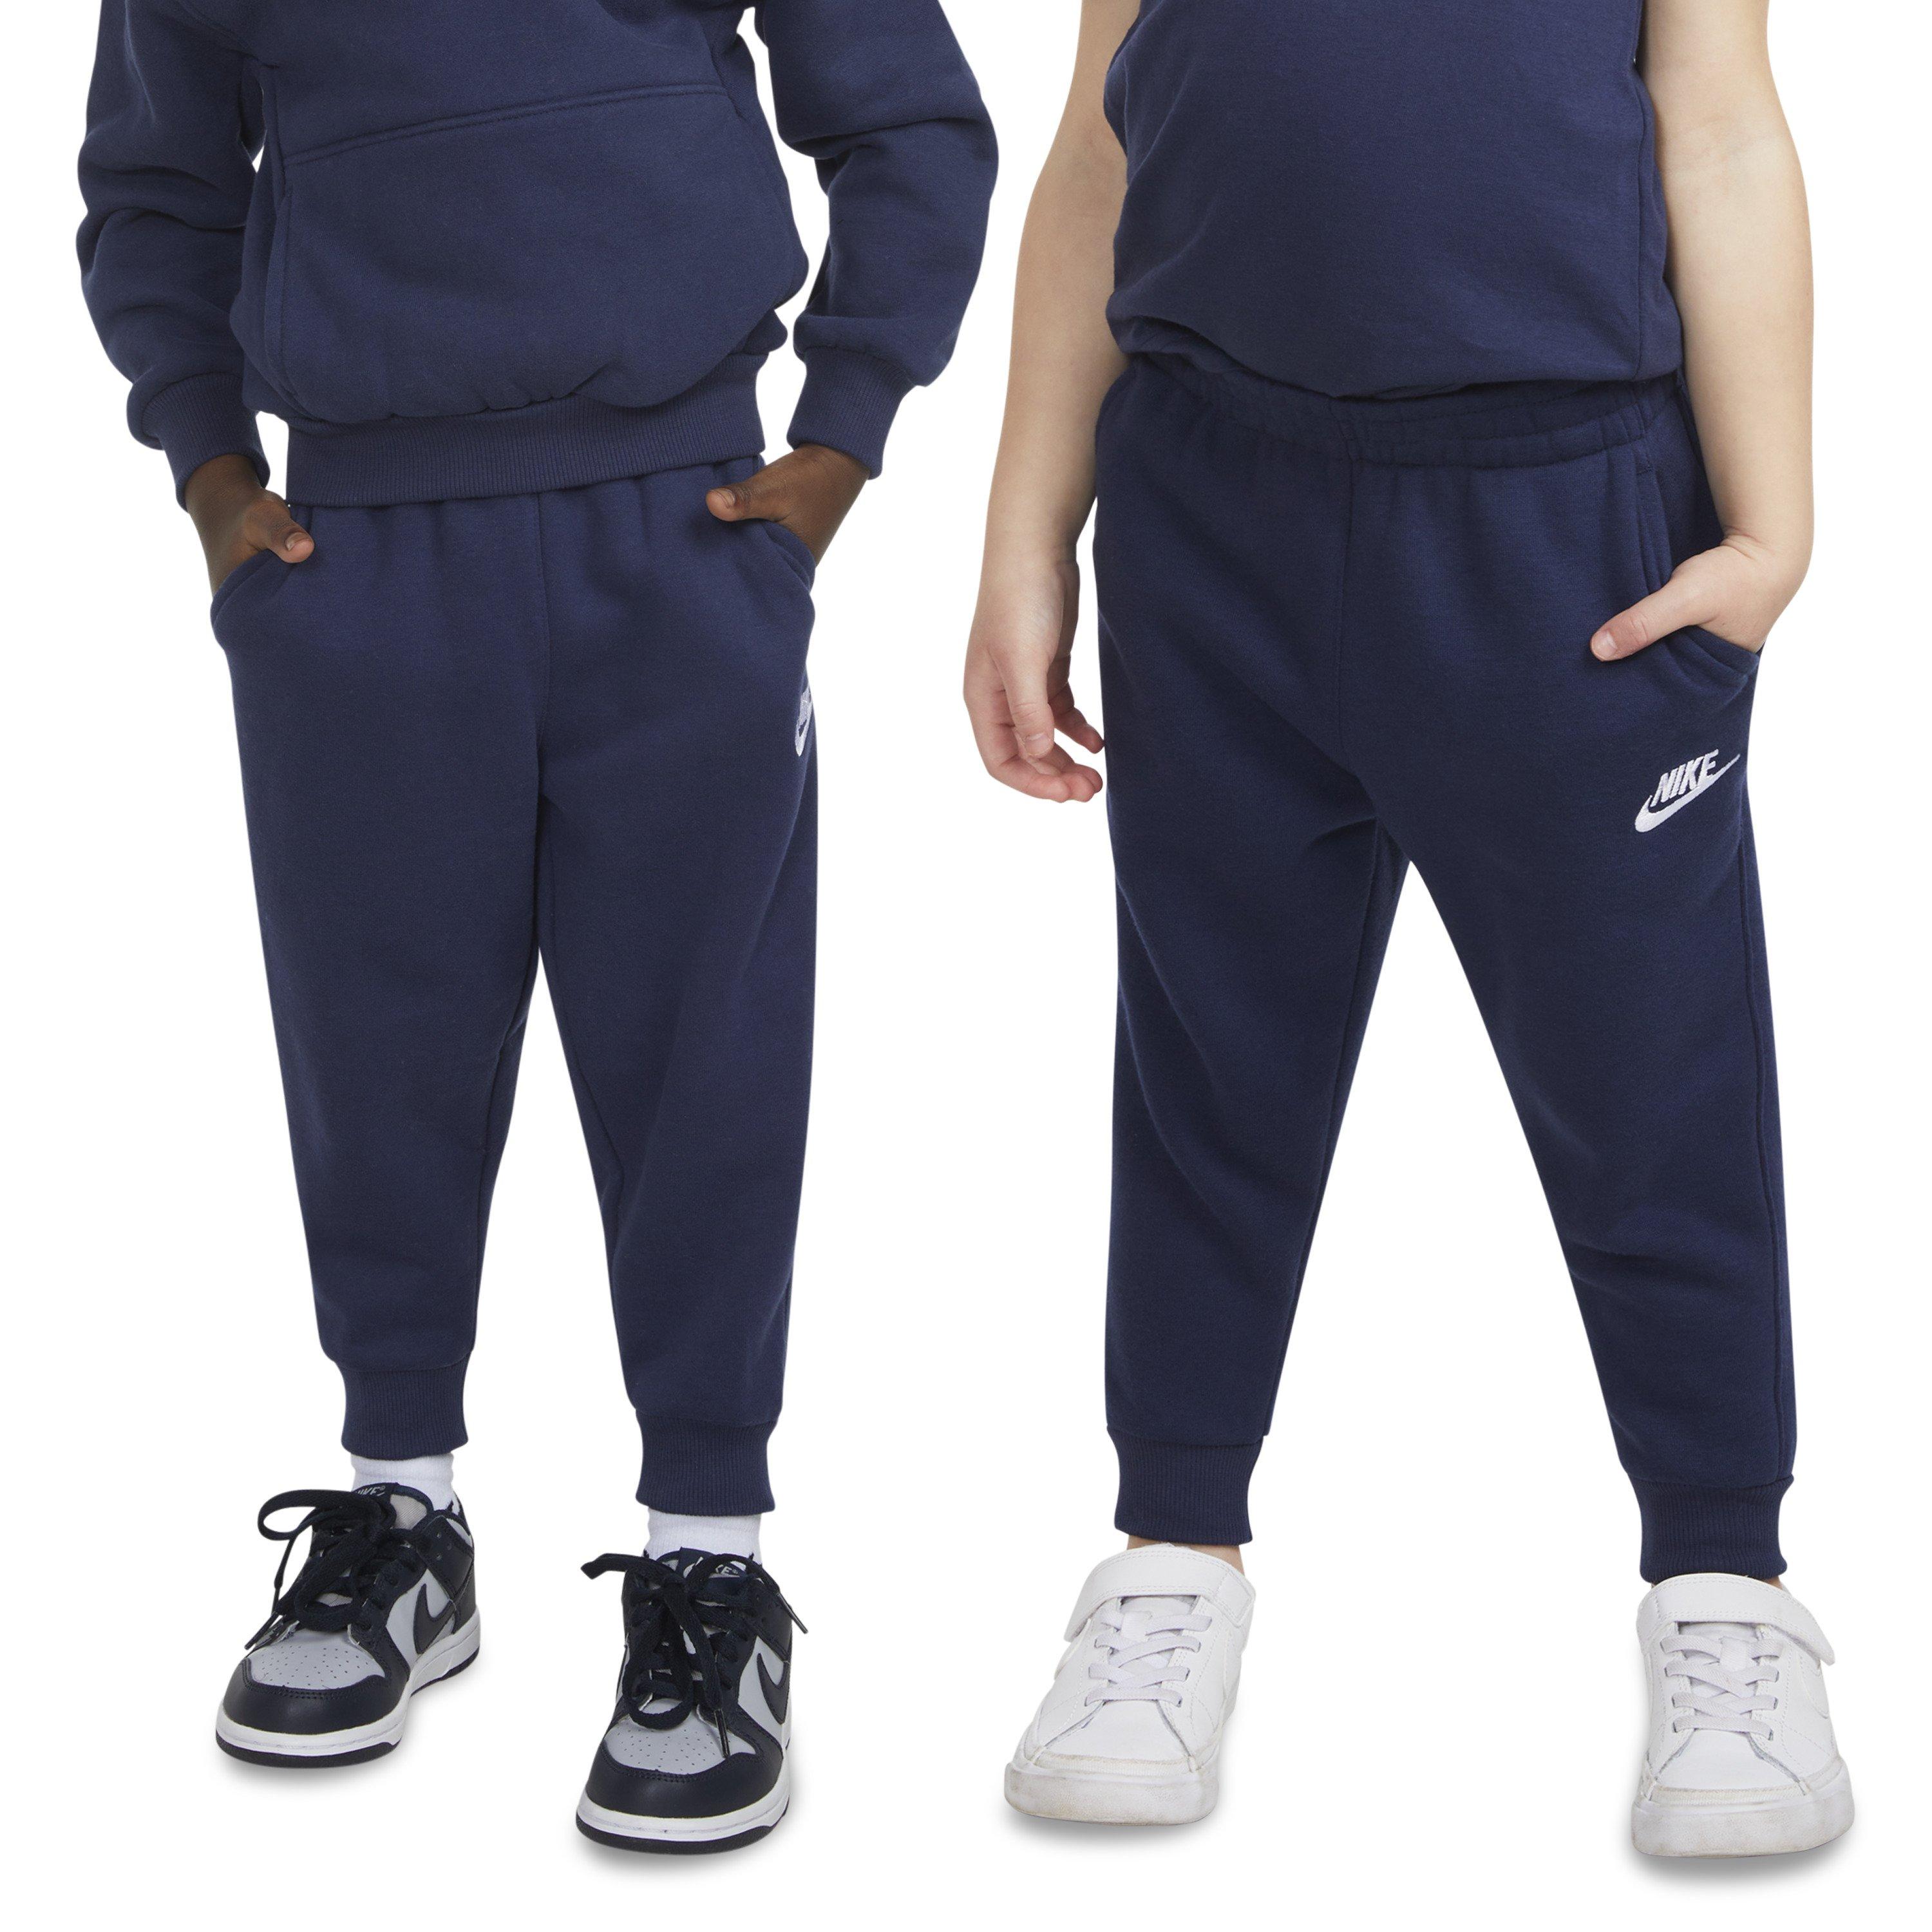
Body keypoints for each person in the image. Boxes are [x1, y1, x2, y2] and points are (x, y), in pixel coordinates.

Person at [78, 0, 992, 1853]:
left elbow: (911, 121)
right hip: (359, 544)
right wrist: (210, 471)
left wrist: (844, 434)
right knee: (375, 1055)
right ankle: (402, 1515)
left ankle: (709, 1557)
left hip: (686, 522)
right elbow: (156, 187)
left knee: (705, 1058)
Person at [967, 0, 1850, 1857]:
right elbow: (1100, 153)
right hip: (1212, 509)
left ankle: (1725, 1582)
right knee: (1211, 1067)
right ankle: (1172, 1556)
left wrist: (1774, 527)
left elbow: (1720, 126)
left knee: (1652, 1079)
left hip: (1566, 529)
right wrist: (1025, 536)